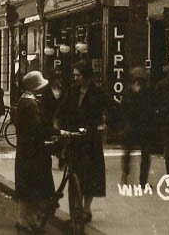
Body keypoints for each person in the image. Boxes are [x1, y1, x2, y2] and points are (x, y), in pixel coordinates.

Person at [55, 60, 107, 223]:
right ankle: (76, 209)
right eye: (74, 75)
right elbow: (62, 110)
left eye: (78, 75)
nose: (75, 78)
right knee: (75, 173)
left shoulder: (97, 92)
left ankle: (86, 209)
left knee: (90, 175)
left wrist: (103, 124)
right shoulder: (72, 90)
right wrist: (59, 127)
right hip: (75, 138)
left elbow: (109, 109)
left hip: (91, 139)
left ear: (86, 76)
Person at [14, 70, 56, 234]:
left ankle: (27, 219)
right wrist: (56, 132)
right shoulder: (31, 104)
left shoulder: (23, 100)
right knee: (31, 185)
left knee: (26, 186)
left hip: (25, 150)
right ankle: (24, 221)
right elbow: (37, 129)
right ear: (35, 87)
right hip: (32, 152)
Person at [121, 67, 156, 187]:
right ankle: (128, 175)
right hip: (134, 126)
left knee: (143, 154)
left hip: (142, 126)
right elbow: (126, 108)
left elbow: (150, 108)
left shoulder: (147, 92)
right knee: (131, 153)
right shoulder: (129, 92)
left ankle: (141, 180)